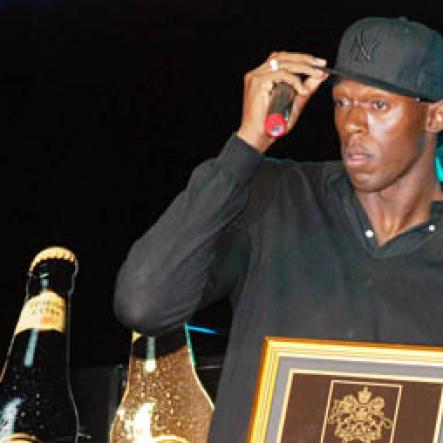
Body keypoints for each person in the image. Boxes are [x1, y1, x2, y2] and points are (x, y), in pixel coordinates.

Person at [114, 16, 443, 442]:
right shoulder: (275, 200)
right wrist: (246, 145)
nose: (353, 124)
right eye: (343, 102)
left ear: (435, 116)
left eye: (378, 105)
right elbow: (144, 302)